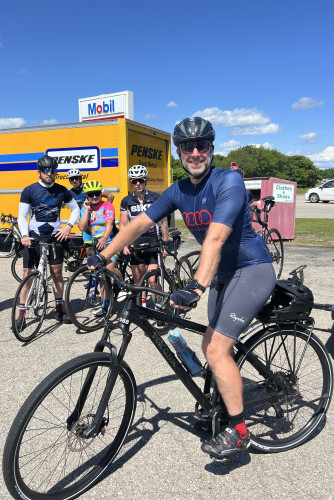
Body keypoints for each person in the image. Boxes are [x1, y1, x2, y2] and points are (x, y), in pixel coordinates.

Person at [87, 117, 275, 459]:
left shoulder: (228, 181)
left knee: (217, 348)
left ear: (211, 149)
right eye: (188, 147)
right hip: (223, 274)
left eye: (202, 145)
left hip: (252, 269)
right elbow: (138, 225)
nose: (195, 152)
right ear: (179, 152)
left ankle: (240, 431)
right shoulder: (177, 191)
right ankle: (222, 402)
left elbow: (216, 238)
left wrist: (196, 287)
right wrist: (104, 255)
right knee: (210, 343)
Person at [18, 155, 80, 327]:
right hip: (33, 238)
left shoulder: (62, 190)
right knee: (27, 275)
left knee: (57, 274)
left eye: (52, 170)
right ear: (39, 171)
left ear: (55, 172)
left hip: (54, 237)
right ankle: (22, 314)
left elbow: (76, 210)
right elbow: (22, 216)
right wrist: (24, 235)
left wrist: (68, 227)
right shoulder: (29, 190)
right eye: (45, 170)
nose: (49, 173)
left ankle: (59, 311)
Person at [119, 165, 169, 303]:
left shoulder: (155, 197)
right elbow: (123, 225)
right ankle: (143, 309)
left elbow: (164, 222)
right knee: (138, 281)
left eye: (140, 180)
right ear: (131, 182)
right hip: (135, 242)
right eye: (134, 181)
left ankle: (159, 306)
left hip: (153, 241)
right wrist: (124, 244)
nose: (138, 184)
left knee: (153, 280)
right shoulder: (126, 201)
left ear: (145, 180)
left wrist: (165, 243)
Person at [78, 180, 122, 316]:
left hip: (112, 243)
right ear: (87, 196)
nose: (94, 197)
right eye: (91, 195)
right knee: (102, 277)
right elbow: (82, 227)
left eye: (97, 194)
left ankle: (122, 286)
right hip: (97, 247)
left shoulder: (107, 206)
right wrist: (86, 210)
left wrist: (104, 238)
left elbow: (109, 224)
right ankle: (106, 306)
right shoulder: (85, 209)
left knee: (108, 268)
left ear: (101, 194)